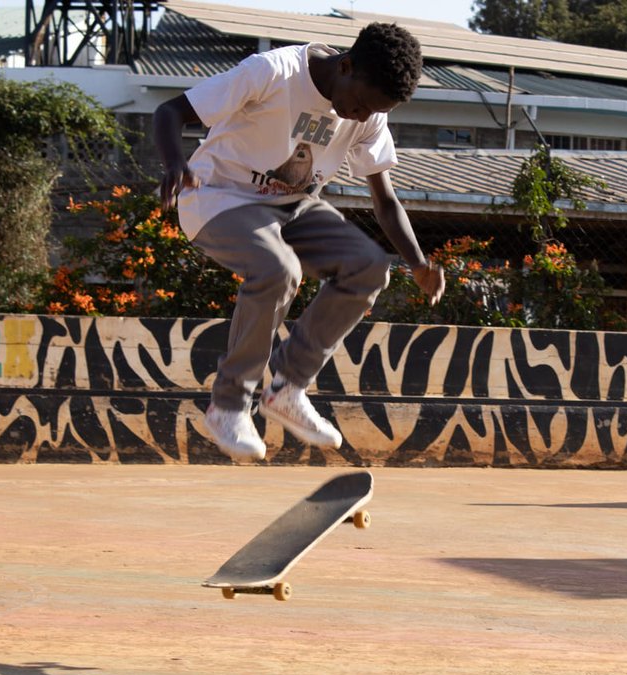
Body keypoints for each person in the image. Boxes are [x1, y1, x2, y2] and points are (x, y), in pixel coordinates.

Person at [154, 22, 445, 460]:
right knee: (277, 269)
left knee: (368, 266)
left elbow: (385, 202)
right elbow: (170, 111)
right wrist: (176, 162)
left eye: (374, 112)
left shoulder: (371, 113)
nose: (363, 117)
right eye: (362, 104)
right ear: (346, 66)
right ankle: (229, 404)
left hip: (293, 207)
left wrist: (419, 264)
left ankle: (287, 388)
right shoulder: (273, 72)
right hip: (218, 197)